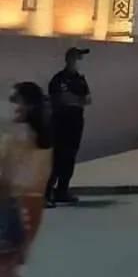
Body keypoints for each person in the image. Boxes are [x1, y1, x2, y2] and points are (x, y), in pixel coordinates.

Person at [0, 81, 53, 277]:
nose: (10, 104)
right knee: (4, 275)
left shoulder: (18, 135)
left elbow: (8, 177)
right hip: (23, 206)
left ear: (28, 105)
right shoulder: (37, 135)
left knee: (5, 276)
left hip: (12, 207)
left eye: (15, 99)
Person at [45, 46, 91, 207]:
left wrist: (72, 99)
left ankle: (62, 191)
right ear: (69, 59)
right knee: (57, 157)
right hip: (61, 122)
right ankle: (47, 192)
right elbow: (59, 99)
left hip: (75, 121)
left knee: (70, 157)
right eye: (77, 58)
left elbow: (86, 99)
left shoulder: (79, 79)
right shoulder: (59, 79)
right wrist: (74, 99)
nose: (79, 62)